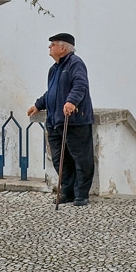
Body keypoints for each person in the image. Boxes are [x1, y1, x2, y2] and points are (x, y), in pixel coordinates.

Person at [27, 33, 94, 206]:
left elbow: (80, 85)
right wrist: (39, 105)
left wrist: (71, 101)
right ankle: (67, 191)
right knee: (60, 160)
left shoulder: (75, 63)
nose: (49, 48)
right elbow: (52, 92)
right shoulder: (54, 69)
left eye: (52, 45)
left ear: (63, 48)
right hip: (55, 120)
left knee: (81, 159)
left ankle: (81, 195)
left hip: (74, 121)